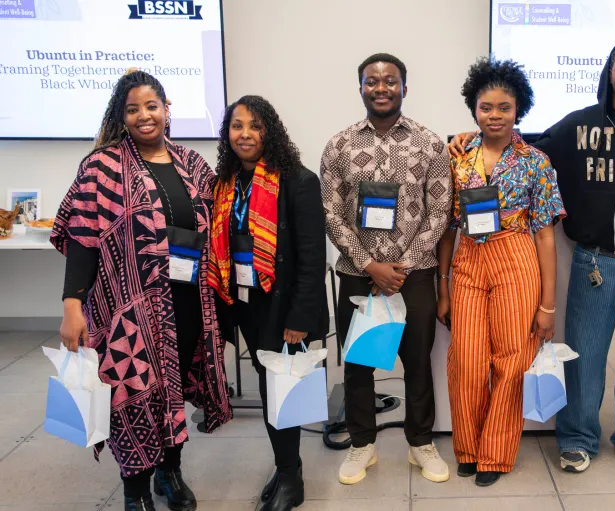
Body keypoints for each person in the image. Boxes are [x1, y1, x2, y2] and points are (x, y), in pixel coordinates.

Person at [449, 37, 615, 473]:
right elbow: (526, 144)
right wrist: (466, 137)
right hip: (594, 262)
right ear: (609, 73)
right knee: (584, 357)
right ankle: (579, 437)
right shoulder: (580, 124)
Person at [53, 69, 232, 511]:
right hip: (126, 311)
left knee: (174, 385)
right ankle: (135, 490)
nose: (144, 116)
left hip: (187, 302)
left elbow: (221, 220)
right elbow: (81, 238)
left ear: (167, 110)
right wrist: (72, 306)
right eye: (133, 109)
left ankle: (169, 471)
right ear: (122, 116)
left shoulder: (192, 163)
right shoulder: (102, 166)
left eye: (152, 106)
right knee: (129, 393)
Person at [321, 53, 453, 485]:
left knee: (417, 363)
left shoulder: (430, 144)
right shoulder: (339, 145)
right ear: (360, 88)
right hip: (357, 274)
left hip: (414, 276)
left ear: (404, 88)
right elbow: (331, 213)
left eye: (390, 81)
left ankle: (420, 443)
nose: (381, 88)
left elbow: (440, 211)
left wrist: (401, 267)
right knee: (359, 364)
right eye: (372, 81)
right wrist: (370, 265)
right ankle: (363, 444)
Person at [437, 57, 565, 487]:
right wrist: (443, 287)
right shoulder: (457, 157)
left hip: (516, 256)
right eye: (486, 107)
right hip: (468, 260)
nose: (495, 115)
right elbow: (448, 228)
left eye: (504, 107)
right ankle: (468, 448)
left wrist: (548, 305)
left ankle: (495, 452)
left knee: (512, 360)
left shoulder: (536, 161)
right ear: (474, 109)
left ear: (518, 109)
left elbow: (545, 235)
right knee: (467, 361)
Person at [209, 95, 329, 510]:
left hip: (282, 305)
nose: (245, 134)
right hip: (245, 301)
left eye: (255, 126)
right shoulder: (225, 183)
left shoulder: (298, 181)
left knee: (280, 388)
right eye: (237, 126)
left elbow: (312, 257)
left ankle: (291, 479)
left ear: (270, 132)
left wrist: (300, 316)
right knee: (267, 383)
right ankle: (285, 467)